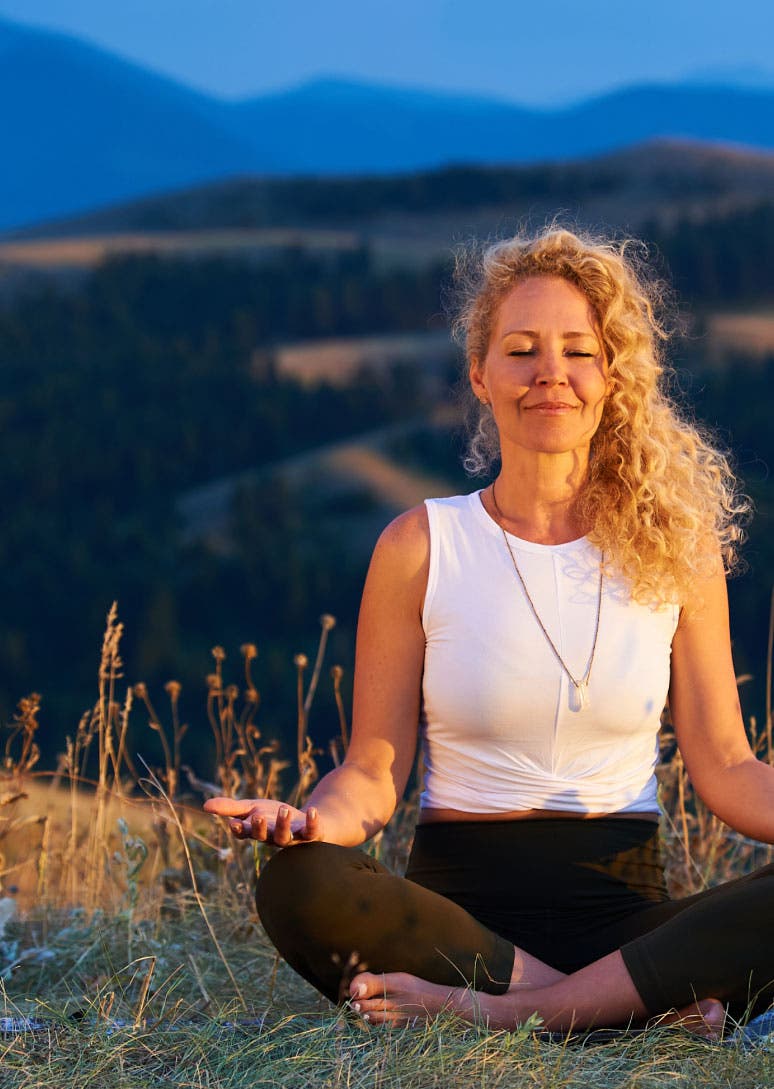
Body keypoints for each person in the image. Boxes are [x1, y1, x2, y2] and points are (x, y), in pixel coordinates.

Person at [204, 227, 774, 1035]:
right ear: (480, 374)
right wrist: (312, 825)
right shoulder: (420, 546)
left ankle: (500, 1017)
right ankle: (623, 1019)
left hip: (633, 929)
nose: (552, 373)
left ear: (612, 375)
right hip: (459, 929)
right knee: (298, 883)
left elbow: (728, 766)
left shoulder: (677, 553)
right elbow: (372, 767)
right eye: (521, 349)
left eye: (578, 350)